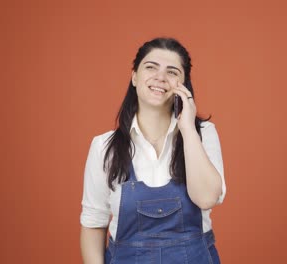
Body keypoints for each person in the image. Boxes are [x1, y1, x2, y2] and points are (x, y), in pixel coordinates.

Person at [80, 37, 226, 264]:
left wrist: (187, 127)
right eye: (151, 67)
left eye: (172, 72)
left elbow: (207, 198)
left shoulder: (202, 135)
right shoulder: (104, 147)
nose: (160, 77)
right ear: (134, 77)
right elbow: (93, 224)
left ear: (183, 84)